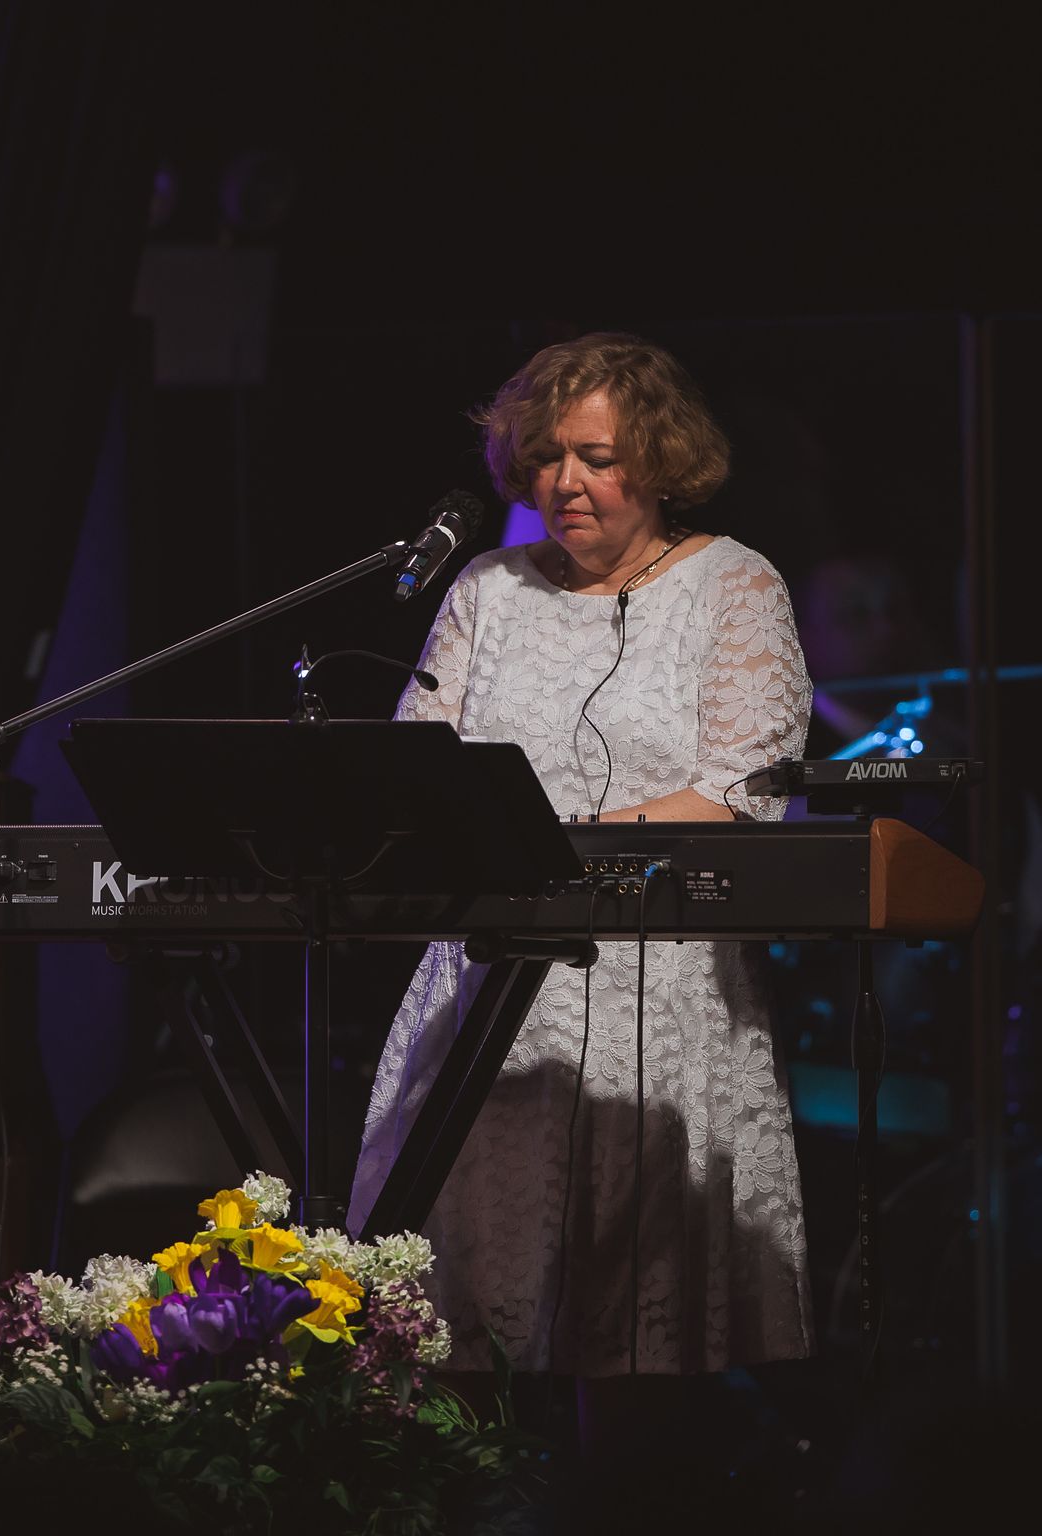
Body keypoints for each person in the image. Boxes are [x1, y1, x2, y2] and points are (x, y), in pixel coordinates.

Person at [347, 334, 815, 1392]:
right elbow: (413, 765)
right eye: (547, 456)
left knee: (634, 1354)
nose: (565, 481)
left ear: (660, 461)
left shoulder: (733, 586)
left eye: (597, 457)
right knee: (450, 1333)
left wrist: (556, 843)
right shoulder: (486, 588)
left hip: (657, 992)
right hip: (481, 991)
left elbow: (743, 791)